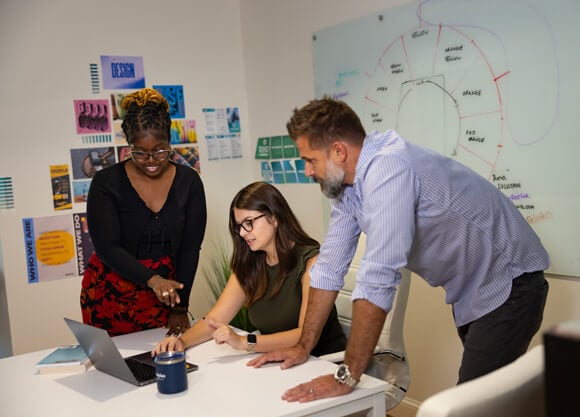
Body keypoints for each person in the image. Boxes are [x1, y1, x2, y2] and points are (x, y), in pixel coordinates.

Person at [249, 97, 550, 402]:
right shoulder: (347, 190)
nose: (307, 171)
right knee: (492, 404)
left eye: (310, 160)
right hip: (472, 291)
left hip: (509, 282)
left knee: (473, 406)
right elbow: (328, 268)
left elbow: (379, 276)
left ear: (338, 151)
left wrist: (348, 375)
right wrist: (303, 346)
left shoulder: (389, 168)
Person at [153, 181, 346, 357]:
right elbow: (214, 319)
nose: (243, 233)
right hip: (277, 362)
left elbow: (304, 335)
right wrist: (180, 342)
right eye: (239, 226)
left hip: (322, 363)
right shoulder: (250, 264)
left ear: (275, 217)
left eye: (249, 223)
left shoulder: (311, 263)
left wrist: (244, 341)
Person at [80, 88, 207, 337]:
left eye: (160, 150)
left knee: (167, 358)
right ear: (128, 146)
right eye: (139, 152)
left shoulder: (188, 182)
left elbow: (190, 248)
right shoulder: (106, 182)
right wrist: (152, 279)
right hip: (112, 291)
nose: (151, 159)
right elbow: (107, 248)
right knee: (116, 368)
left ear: (170, 143)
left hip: (166, 295)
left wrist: (181, 307)